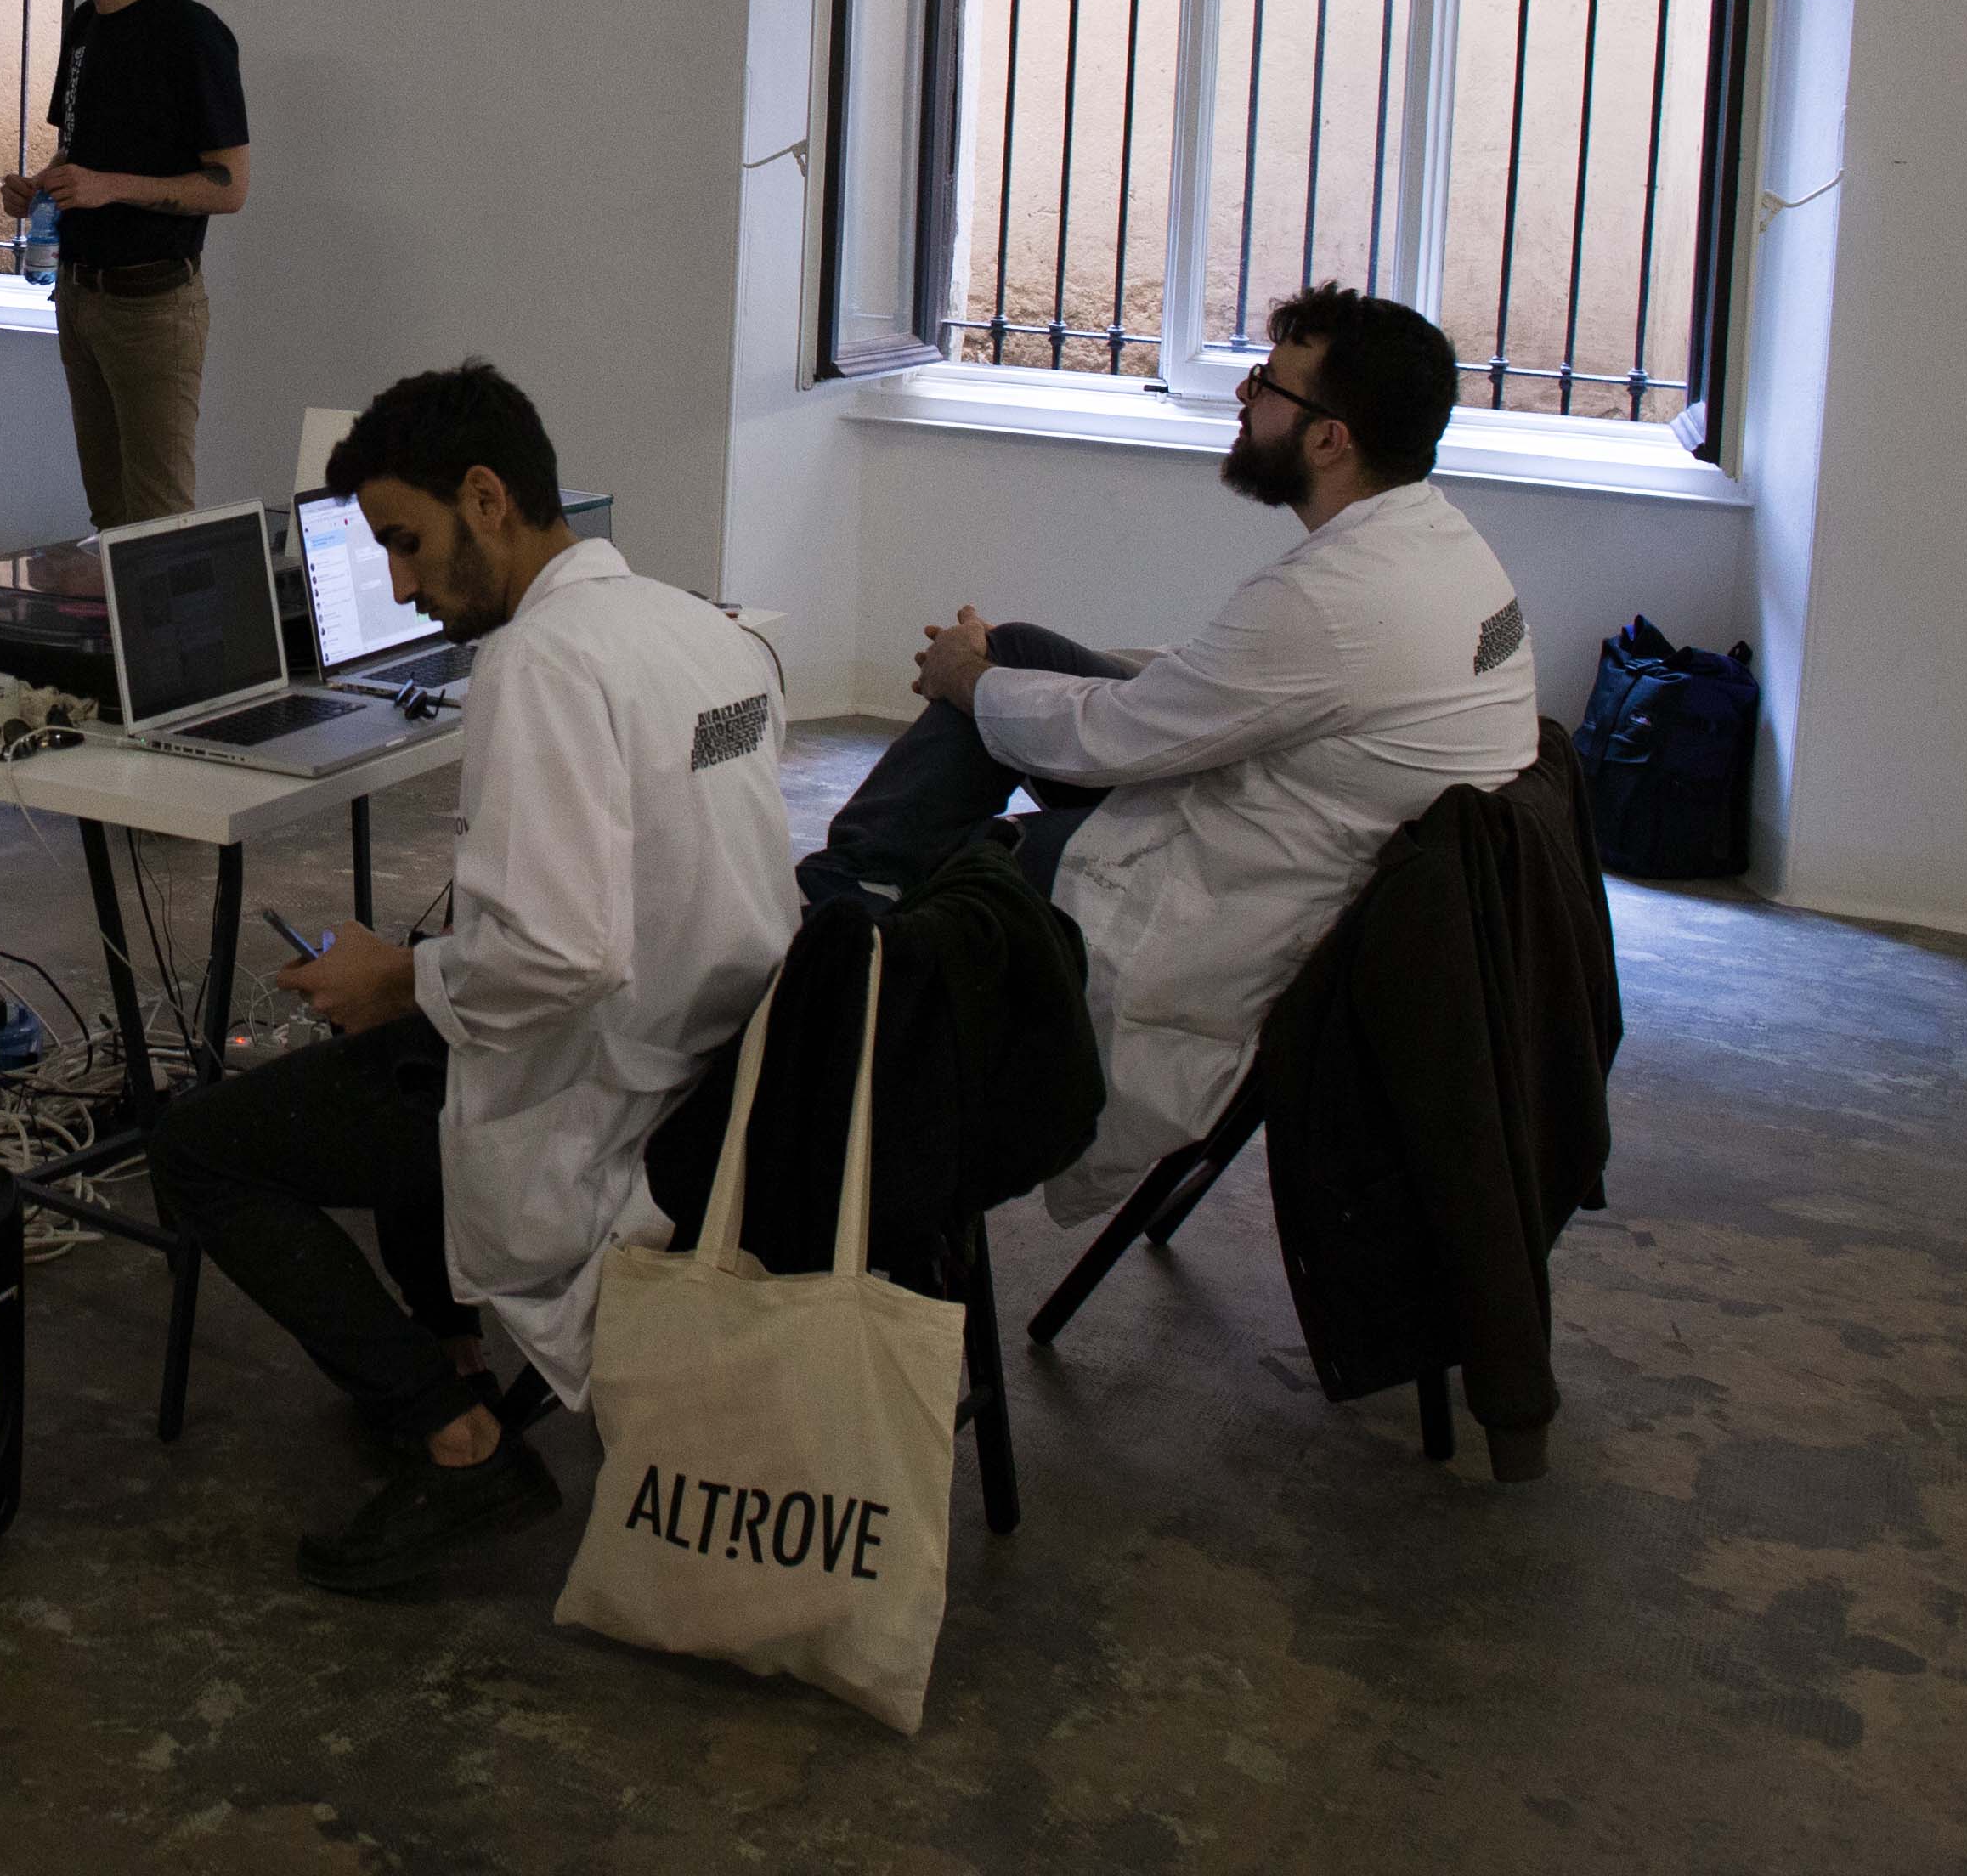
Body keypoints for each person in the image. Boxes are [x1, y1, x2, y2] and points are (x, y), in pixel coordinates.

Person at [150, 363, 794, 1594]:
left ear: (488, 499)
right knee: (401, 1056)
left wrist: (397, 979)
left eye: (406, 542)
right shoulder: (707, 631)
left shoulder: (538, 664)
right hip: (717, 1064)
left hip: (602, 1093)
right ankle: (449, 1352)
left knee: (198, 1148)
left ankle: (458, 1442)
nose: (400, 585)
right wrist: (425, 982)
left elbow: (560, 954)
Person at [811, 281, 1539, 1212]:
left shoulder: (1333, 600)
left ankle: (838, 944)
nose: (1243, 397)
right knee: (1019, 651)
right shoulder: (1434, 540)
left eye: (1266, 386)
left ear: (1329, 440)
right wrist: (994, 675)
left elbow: (1116, 741)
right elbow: (1214, 688)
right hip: (1294, 823)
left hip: (1236, 893)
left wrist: (967, 681)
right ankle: (849, 900)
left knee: (976, 882)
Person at [0, 0, 242, 529]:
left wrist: (111, 187)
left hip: (153, 307)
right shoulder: (85, 28)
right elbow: (81, 151)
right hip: (79, 296)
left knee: (159, 524)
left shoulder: (192, 35)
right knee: (108, 517)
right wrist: (41, 188)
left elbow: (229, 186)